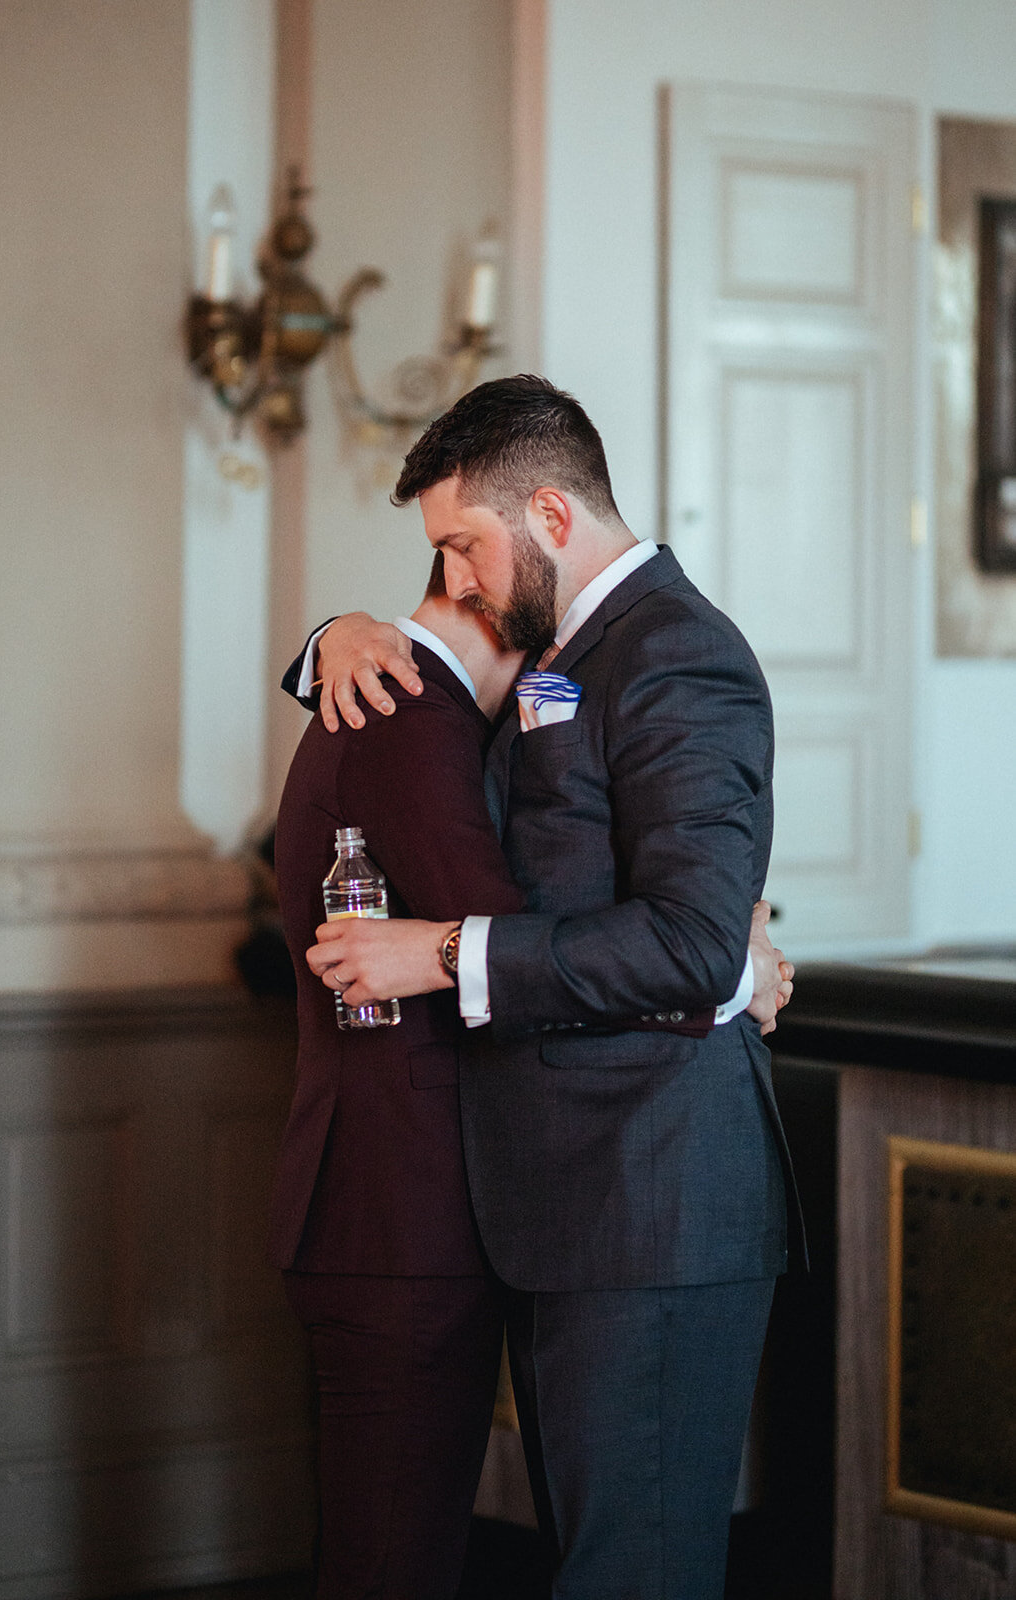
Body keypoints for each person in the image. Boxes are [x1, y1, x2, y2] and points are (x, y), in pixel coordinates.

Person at [304, 375, 803, 1600]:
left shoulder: (677, 651)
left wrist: (435, 952)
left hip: (654, 1204)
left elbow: (687, 940)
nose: (457, 582)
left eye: (463, 547)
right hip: (573, 1207)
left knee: (634, 1576)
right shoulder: (564, 649)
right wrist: (334, 633)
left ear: (547, 511)